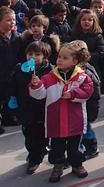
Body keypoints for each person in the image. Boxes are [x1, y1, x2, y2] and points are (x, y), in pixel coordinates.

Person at [29, 40, 94, 183]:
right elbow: (39, 95)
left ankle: (77, 164)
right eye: (59, 57)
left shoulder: (82, 77)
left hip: (75, 121)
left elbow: (88, 91)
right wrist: (36, 85)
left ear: (75, 61)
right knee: (56, 147)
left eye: (65, 58)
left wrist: (73, 94)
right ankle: (58, 165)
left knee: (75, 147)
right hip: (55, 120)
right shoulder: (49, 77)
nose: (60, 60)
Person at [10, 41, 53, 174]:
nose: (32, 56)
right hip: (25, 109)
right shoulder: (19, 69)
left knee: (42, 136)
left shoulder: (49, 70)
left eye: (37, 54)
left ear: (45, 57)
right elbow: (13, 87)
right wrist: (13, 102)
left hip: (42, 110)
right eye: (30, 53)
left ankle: (37, 157)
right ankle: (34, 154)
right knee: (29, 136)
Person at [0, 7, 21, 134]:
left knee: (8, 96)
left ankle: (9, 118)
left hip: (11, 72)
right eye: (8, 20)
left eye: (13, 19)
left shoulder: (17, 37)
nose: (12, 22)